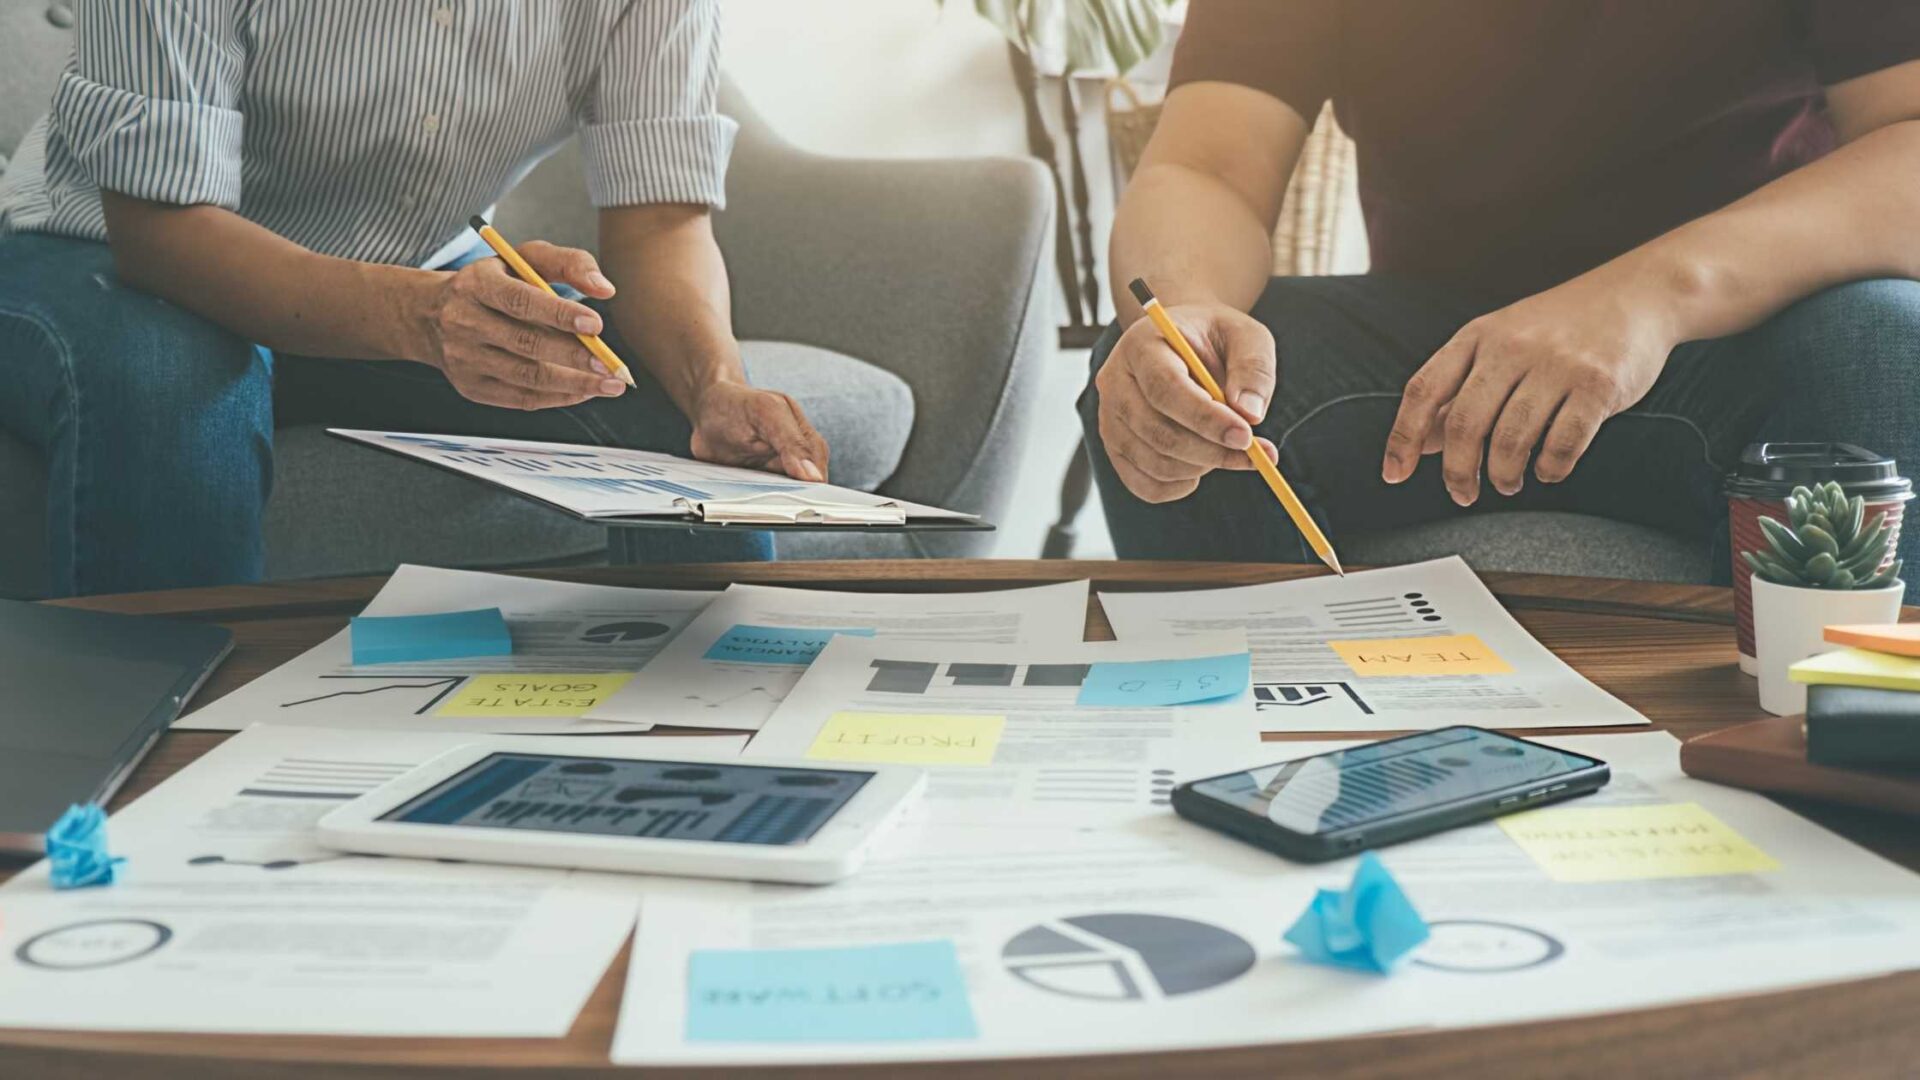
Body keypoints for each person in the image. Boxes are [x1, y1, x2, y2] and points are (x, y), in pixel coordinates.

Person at [0, 0, 856, 597]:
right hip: (105, 261)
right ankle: (148, 793)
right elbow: (163, 225)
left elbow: (661, 218)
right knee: (170, 384)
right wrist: (420, 317)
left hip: (413, 272)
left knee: (674, 423)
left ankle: (721, 744)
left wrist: (713, 385)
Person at [1083, 0, 1920, 600]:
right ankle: (1257, 754)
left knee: (1886, 340)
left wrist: (1642, 298)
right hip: (1443, 368)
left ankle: (1828, 768)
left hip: (1735, 335)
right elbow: (1209, 164)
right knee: (1173, 378)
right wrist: (1186, 315)